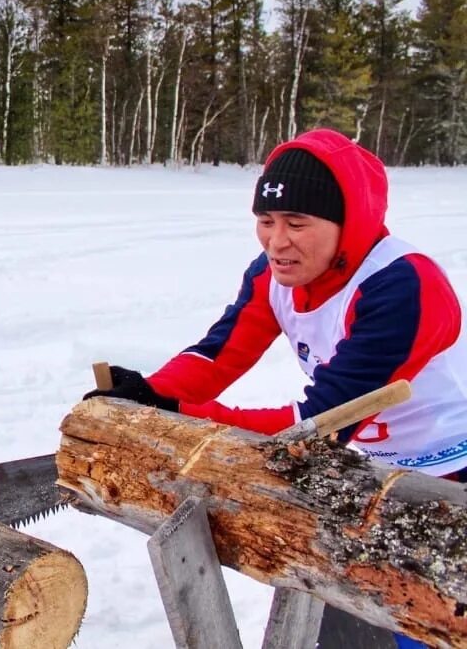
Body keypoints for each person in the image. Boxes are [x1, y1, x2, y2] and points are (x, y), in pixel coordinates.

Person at [86, 128, 465, 649]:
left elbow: (316, 427)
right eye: (265, 222)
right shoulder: (273, 274)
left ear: (346, 224)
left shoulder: (402, 288)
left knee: (431, 629)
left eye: (297, 223)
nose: (276, 241)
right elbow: (219, 353)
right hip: (373, 472)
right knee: (352, 626)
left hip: (451, 475)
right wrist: (151, 396)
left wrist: (182, 413)